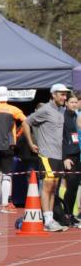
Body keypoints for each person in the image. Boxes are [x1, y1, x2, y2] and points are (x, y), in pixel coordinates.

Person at [26, 83, 69, 232]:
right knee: (47, 186)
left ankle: (50, 219)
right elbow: (27, 122)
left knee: (53, 188)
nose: (65, 97)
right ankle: (47, 220)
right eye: (62, 94)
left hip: (57, 155)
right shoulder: (45, 109)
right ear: (54, 95)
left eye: (65, 94)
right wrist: (31, 143)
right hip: (46, 154)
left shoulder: (60, 111)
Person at [0, 86, 34, 209]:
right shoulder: (13, 109)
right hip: (8, 146)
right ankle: (5, 203)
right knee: (6, 175)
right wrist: (18, 134)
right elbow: (26, 121)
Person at [60, 90, 80, 226]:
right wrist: (64, 158)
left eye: (75, 102)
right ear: (66, 103)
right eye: (71, 102)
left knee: (74, 187)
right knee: (69, 185)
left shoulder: (75, 116)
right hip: (68, 156)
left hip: (77, 154)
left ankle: (70, 214)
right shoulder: (63, 117)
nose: (74, 104)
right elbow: (60, 139)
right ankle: (65, 214)